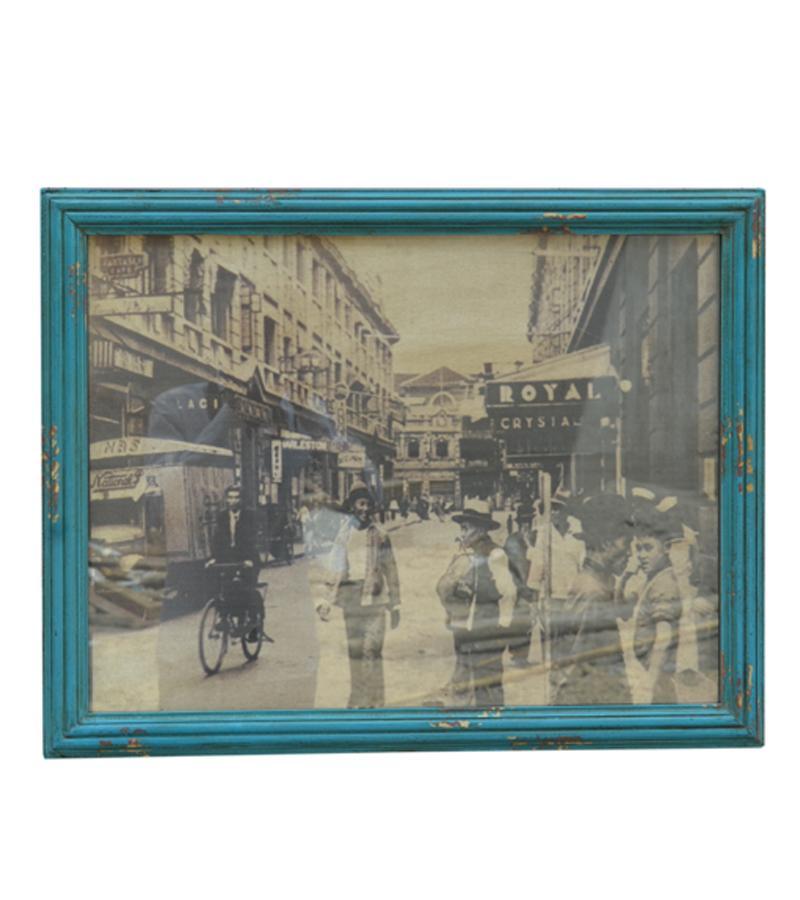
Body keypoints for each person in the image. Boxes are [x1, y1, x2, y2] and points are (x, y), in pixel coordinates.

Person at [312, 482, 401, 708]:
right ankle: (358, 700)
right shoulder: (343, 534)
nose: (365, 509)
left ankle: (375, 703)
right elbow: (334, 567)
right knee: (355, 652)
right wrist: (325, 600)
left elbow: (391, 568)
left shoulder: (380, 534)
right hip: (351, 599)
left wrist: (395, 603)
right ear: (352, 506)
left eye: (368, 504)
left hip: (375, 600)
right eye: (360, 504)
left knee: (372, 651)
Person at [552, 493, 633, 705]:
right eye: (626, 543)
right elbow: (588, 659)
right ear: (606, 544)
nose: (630, 552)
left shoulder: (597, 581)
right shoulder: (594, 592)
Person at [436, 500, 516, 707]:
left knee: (487, 680)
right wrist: (451, 613)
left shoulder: (495, 554)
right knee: (463, 674)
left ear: (480, 529)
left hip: (486, 628)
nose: (462, 533)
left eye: (466, 528)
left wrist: (503, 627)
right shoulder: (464, 554)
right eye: (461, 528)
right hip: (463, 626)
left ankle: (492, 718)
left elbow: (508, 591)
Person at [617, 501, 684, 704]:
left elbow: (664, 638)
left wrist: (650, 685)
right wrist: (626, 574)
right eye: (638, 549)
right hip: (647, 669)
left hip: (656, 674)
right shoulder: (652, 579)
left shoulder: (664, 583)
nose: (642, 556)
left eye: (648, 548)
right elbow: (621, 609)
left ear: (666, 548)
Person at [206, 484, 263, 636]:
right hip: (229, 559)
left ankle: (251, 621)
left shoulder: (250, 516)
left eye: (236, 497)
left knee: (245, 588)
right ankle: (224, 617)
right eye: (230, 497)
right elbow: (217, 539)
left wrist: (249, 559)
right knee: (222, 586)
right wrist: (213, 558)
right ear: (226, 499)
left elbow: (252, 539)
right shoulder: (222, 516)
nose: (233, 501)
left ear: (242, 499)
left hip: (248, 558)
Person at [503, 502, 537, 666]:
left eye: (529, 522)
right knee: (519, 622)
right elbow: (510, 568)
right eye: (524, 522)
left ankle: (520, 655)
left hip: (531, 586)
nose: (526, 526)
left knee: (527, 622)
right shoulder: (512, 541)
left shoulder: (535, 539)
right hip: (518, 587)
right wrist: (521, 587)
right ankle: (518, 655)